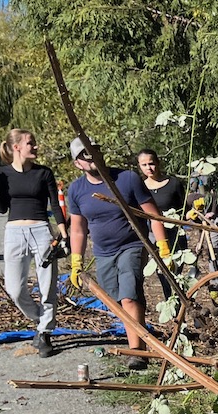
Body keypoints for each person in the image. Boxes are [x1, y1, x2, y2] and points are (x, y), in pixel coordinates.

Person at [66, 136, 171, 370]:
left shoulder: (126, 179)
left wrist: (163, 246)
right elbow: (78, 229)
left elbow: (153, 215)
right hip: (103, 253)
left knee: (129, 296)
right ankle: (139, 339)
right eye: (85, 154)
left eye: (94, 149)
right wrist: (76, 262)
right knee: (118, 301)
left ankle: (137, 353)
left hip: (132, 245)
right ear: (77, 163)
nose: (91, 155)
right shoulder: (76, 190)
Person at [0, 129, 69, 358]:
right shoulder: (3, 174)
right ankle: (40, 318)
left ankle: (44, 333)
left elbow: (55, 205)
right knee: (14, 289)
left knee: (47, 286)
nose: (35, 146)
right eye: (30, 143)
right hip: (14, 233)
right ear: (17, 147)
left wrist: (62, 233)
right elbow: (3, 208)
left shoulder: (44, 173)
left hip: (42, 232)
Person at [137, 148, 187, 299]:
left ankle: (181, 304)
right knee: (162, 273)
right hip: (153, 237)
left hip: (174, 235)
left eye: (151, 163)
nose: (149, 168)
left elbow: (183, 208)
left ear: (158, 163)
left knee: (176, 272)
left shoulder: (173, 184)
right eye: (144, 165)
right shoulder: (140, 187)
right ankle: (171, 303)